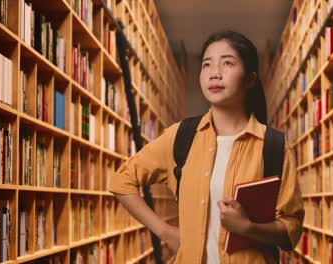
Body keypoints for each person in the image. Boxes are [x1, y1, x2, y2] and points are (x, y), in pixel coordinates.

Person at [109, 30, 304, 264]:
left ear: (250, 79)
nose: (215, 74)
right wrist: (165, 232)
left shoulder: (274, 147)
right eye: (206, 65)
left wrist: (247, 227)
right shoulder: (181, 137)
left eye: (227, 63)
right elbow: (122, 181)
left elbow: (291, 230)